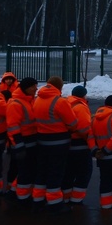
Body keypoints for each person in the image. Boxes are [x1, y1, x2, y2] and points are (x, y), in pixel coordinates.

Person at [31, 76, 80, 214]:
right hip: (58, 142)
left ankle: (38, 200)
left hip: (41, 140)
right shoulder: (60, 101)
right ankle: (54, 203)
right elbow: (73, 123)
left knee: (42, 171)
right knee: (55, 172)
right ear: (59, 87)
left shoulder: (38, 99)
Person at [61, 85, 93, 206]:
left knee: (68, 173)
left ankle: (65, 197)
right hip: (80, 145)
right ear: (84, 95)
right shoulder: (81, 107)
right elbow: (84, 129)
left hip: (67, 143)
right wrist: (91, 141)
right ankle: (76, 200)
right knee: (84, 173)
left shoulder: (66, 103)